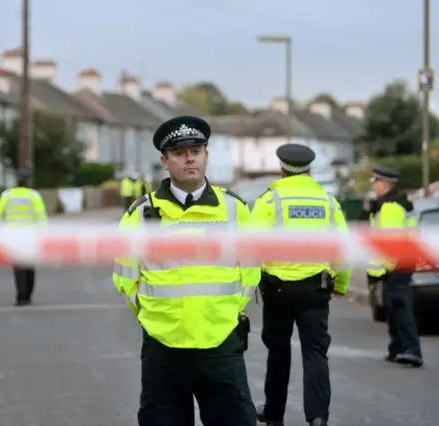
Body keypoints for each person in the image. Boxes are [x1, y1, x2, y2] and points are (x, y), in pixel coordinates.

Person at [113, 116, 260, 426]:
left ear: (206, 155)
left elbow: (250, 270)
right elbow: (126, 278)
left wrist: (227, 312)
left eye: (196, 150)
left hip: (220, 342)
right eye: (180, 153)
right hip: (163, 348)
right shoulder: (141, 214)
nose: (190, 158)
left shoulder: (234, 209)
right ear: (165, 161)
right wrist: (155, 317)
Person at [251, 144, 352, 426]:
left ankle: (273, 414)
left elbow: (251, 246)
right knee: (315, 353)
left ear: (282, 169)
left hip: (277, 290)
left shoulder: (269, 200)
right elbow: (343, 249)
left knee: (278, 350)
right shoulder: (327, 201)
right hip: (315, 289)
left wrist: (251, 281)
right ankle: (318, 417)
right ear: (309, 170)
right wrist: (341, 283)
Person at [365, 166, 423, 367]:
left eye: (376, 182)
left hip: (397, 265)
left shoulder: (390, 207)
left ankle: (411, 349)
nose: (374, 185)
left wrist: (381, 269)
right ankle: (398, 348)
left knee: (399, 306)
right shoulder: (393, 203)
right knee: (392, 307)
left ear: (384, 184)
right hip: (400, 263)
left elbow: (389, 242)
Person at [0, 170, 47, 306]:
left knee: (18, 268)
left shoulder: (7, 195)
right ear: (28, 182)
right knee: (29, 266)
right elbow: (41, 216)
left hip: (13, 236)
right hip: (31, 235)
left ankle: (20, 297)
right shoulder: (34, 196)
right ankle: (28, 295)